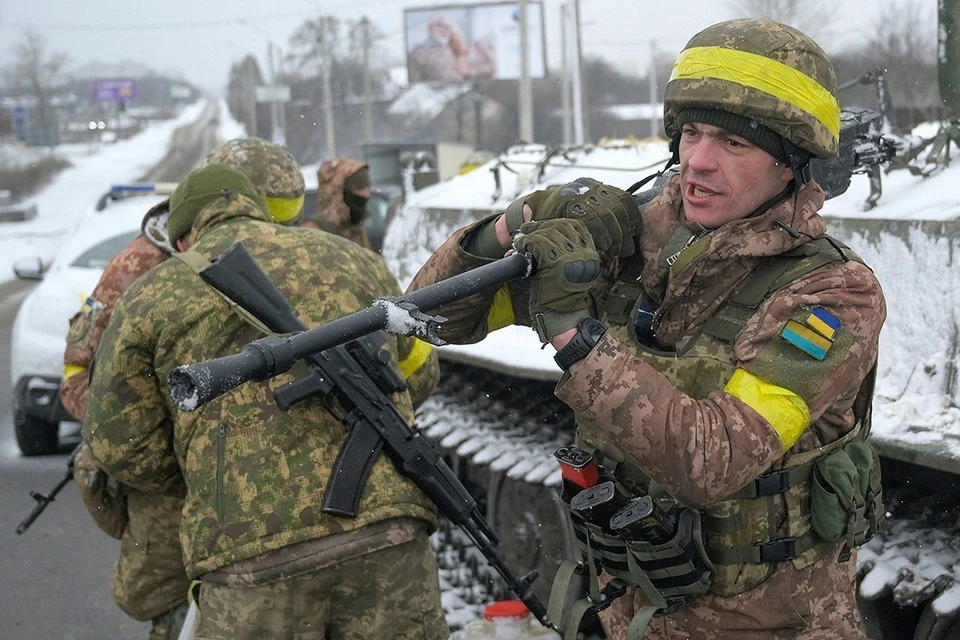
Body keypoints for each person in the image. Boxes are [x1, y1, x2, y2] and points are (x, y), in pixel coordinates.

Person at [406, 18, 884, 640]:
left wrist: (574, 335)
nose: (699, 162)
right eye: (690, 134)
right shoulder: (632, 246)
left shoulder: (830, 294)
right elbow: (431, 314)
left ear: (791, 164)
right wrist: (516, 222)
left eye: (733, 144)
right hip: (626, 616)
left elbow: (713, 461)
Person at [81, 162, 446, 640]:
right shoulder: (356, 259)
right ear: (260, 211)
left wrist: (209, 470)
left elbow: (116, 441)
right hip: (388, 536)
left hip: (249, 558)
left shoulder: (150, 295)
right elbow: (417, 375)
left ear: (184, 238)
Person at [62, 137, 308, 640]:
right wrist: (176, 450)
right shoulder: (139, 268)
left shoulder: (291, 254)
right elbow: (79, 379)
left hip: (265, 472)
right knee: (170, 598)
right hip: (174, 477)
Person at [300, 157, 374, 249]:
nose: (367, 194)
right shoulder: (312, 231)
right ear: (339, 194)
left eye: (367, 188)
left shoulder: (357, 230)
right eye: (359, 189)